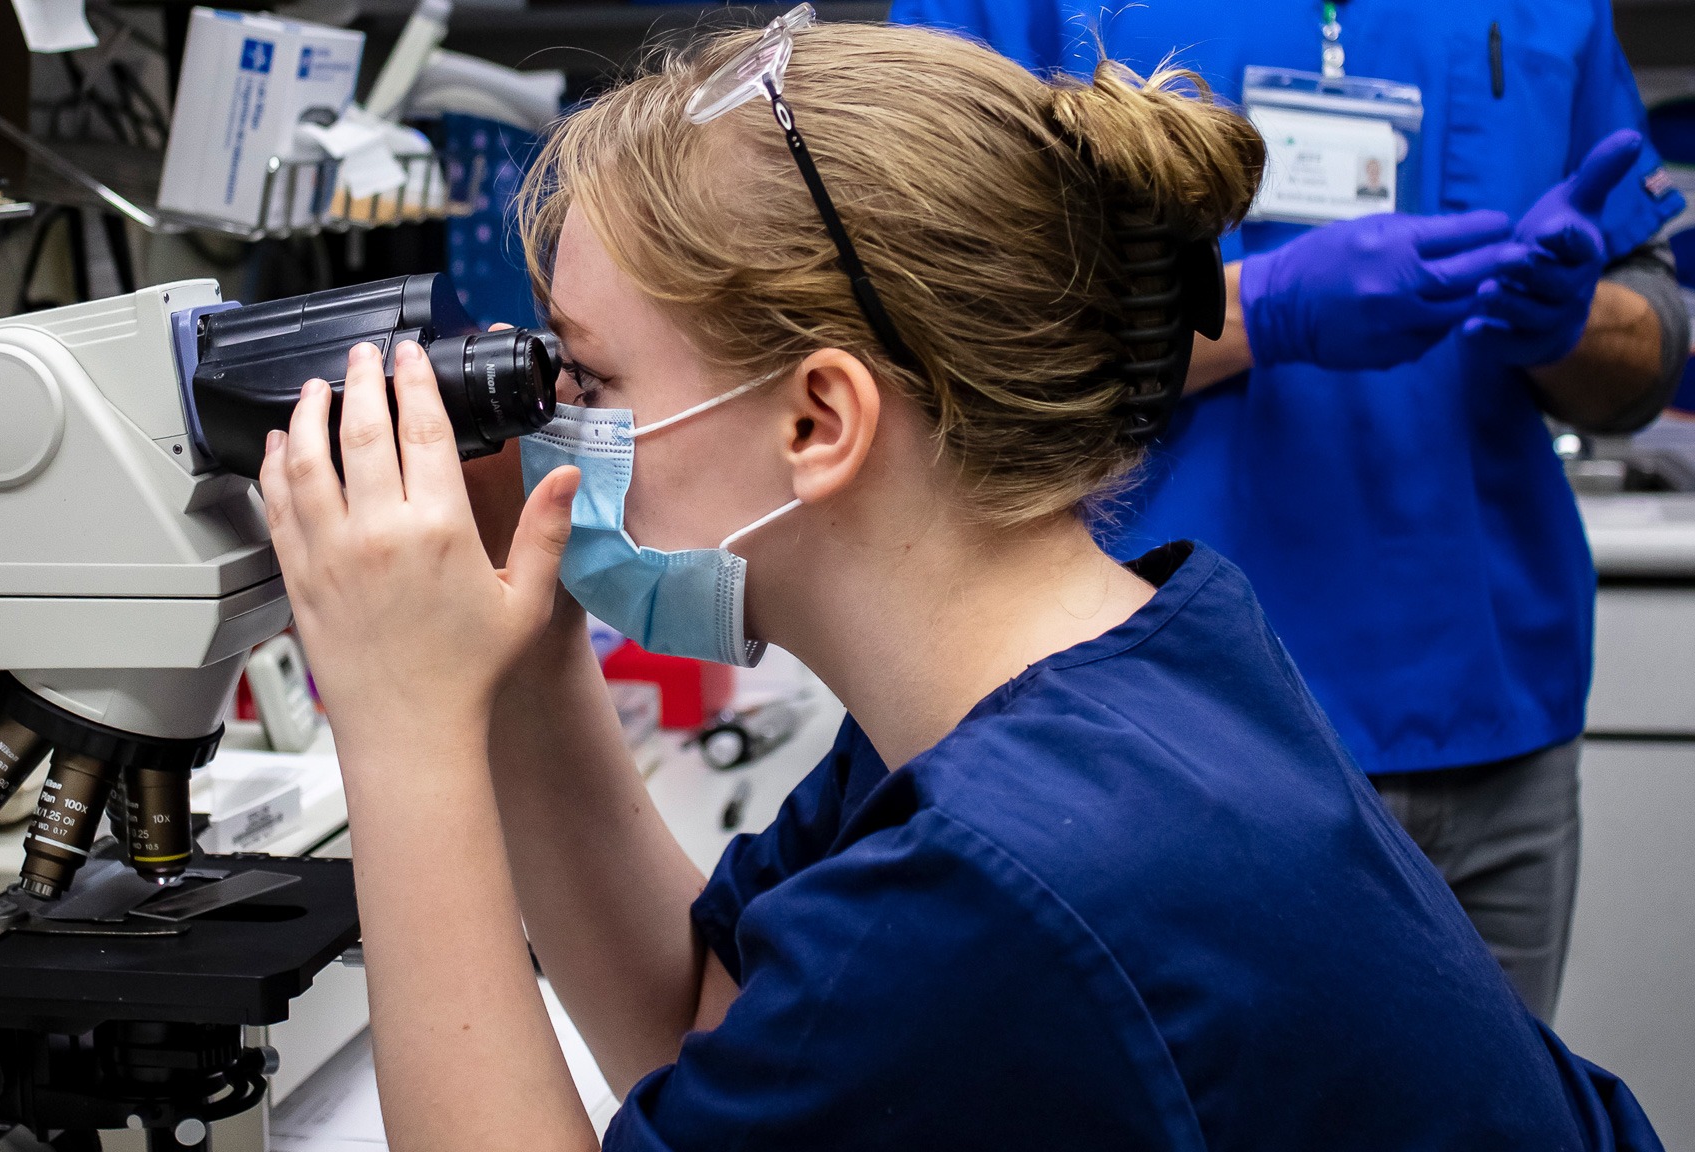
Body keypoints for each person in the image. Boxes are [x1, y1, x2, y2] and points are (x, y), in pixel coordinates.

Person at [258, 18, 1662, 1151]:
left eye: (592, 378)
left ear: (819, 421)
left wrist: (398, 718)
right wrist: (524, 658)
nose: (555, 418)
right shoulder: (1082, 673)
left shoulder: (996, 890)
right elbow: (707, 1031)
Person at [889, 0, 1693, 1021]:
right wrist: (1255, 309)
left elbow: (1645, 347)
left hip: (1492, 723)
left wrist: (1571, 323)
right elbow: (942, 337)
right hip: (1143, 739)